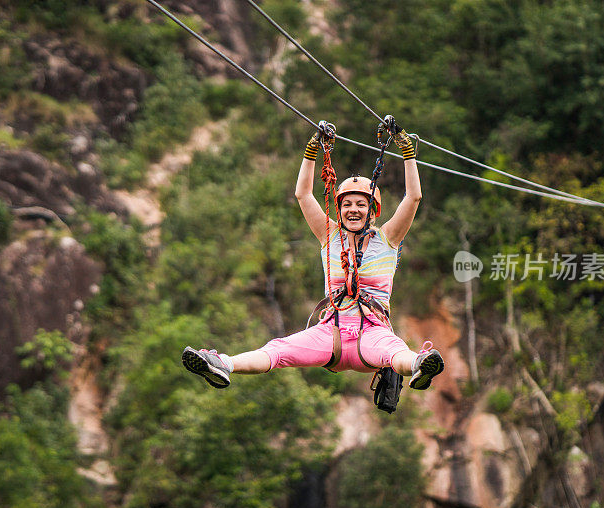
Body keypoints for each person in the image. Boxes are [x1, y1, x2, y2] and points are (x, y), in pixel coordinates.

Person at [182, 117, 443, 391]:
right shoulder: (329, 235)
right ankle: (222, 364)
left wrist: (407, 151)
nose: (353, 210)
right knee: (278, 350)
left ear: (373, 211)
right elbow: (303, 194)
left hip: (373, 334)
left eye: (361, 205)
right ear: (339, 209)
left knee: (396, 352)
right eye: (347, 204)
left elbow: (413, 197)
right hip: (330, 334)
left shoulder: (388, 238)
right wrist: (312, 150)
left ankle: (419, 365)